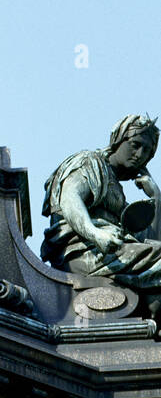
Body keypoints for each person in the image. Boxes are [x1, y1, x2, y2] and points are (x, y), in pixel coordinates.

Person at [41, 114, 161, 318]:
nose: (139, 154)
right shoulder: (90, 161)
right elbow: (70, 198)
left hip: (110, 251)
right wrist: (95, 233)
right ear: (118, 140)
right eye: (135, 144)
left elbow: (150, 241)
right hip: (81, 250)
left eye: (147, 151)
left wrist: (156, 197)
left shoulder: (118, 193)